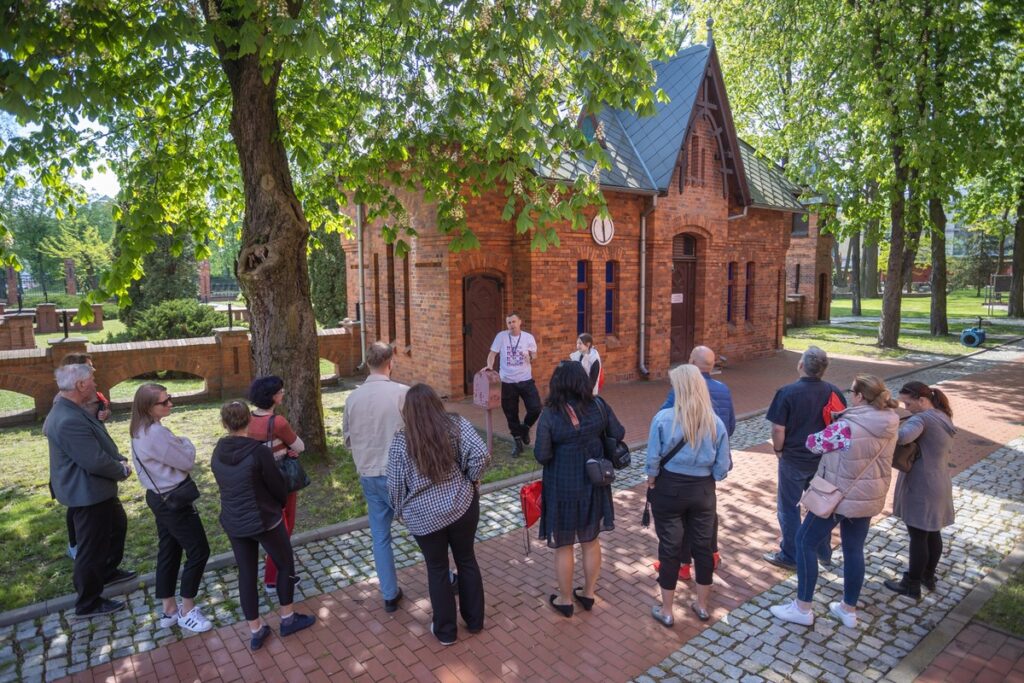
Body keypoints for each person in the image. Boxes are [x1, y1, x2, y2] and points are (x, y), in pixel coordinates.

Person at [769, 374, 897, 628]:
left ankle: (802, 607)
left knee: (804, 541)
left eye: (852, 392)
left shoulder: (847, 426)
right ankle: (848, 609)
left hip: (838, 495)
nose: (849, 395)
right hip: (868, 496)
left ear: (860, 396)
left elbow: (813, 444)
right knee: (853, 549)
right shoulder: (890, 421)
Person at [387, 384, 489, 645]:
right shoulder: (455, 425)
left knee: (437, 569)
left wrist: (400, 511)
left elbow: (396, 484)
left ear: (407, 412)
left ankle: (445, 632)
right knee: (466, 559)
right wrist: (471, 480)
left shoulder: (401, 440)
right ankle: (475, 621)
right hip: (461, 505)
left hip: (423, 517)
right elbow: (480, 455)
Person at [212, 401, 315, 650]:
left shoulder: (218, 451)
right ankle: (287, 617)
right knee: (284, 563)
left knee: (246, 573)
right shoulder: (258, 452)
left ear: (224, 424)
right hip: (264, 519)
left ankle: (256, 629)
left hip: (235, 520)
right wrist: (278, 504)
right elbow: (277, 485)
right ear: (248, 421)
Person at [534, 361, 625, 618]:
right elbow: (618, 432)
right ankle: (588, 593)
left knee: (564, 545)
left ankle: (564, 600)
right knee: (590, 540)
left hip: (562, 485)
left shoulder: (551, 414)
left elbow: (541, 454)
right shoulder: (598, 405)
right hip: (594, 482)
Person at [46, 363, 135, 618]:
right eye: (92, 381)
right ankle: (88, 602)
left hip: (96, 491)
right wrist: (122, 470)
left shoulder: (69, 408)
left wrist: (117, 457)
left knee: (117, 525)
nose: (96, 385)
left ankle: (107, 572)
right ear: (80, 385)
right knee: (91, 549)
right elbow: (94, 460)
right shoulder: (67, 419)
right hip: (88, 494)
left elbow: (96, 439)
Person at [647, 365, 731, 626]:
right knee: (703, 547)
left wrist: (652, 480)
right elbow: (722, 468)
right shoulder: (714, 422)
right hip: (703, 489)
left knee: (670, 548)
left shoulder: (663, 419)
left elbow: (652, 461)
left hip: (670, 487)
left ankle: (668, 610)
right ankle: (702, 605)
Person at [130, 384, 212, 633]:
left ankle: (169, 608)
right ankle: (187, 610)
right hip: (173, 500)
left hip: (158, 497)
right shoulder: (156, 434)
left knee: (169, 550)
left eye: (170, 399)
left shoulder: (139, 429)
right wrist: (185, 441)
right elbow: (187, 460)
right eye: (164, 402)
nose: (170, 404)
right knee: (199, 551)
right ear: (148, 407)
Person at [763, 346, 847, 570]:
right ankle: (822, 551)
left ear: (801, 365)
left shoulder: (787, 392)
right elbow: (841, 427)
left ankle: (790, 554)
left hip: (794, 458)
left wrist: (779, 451)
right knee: (821, 505)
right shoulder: (834, 392)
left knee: (788, 507)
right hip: (823, 461)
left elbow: (778, 429)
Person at [656, 345, 735, 580]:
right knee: (706, 511)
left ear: (691, 360)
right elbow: (729, 425)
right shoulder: (723, 390)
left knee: (682, 515)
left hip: (682, 466)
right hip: (709, 463)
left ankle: (682, 563)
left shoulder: (681, 390)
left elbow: (664, 423)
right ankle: (712, 553)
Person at [343, 342, 408, 612]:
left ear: (368, 363)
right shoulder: (402, 393)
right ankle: (443, 575)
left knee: (380, 536)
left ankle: (389, 593)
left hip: (369, 472)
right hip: (399, 473)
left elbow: (347, 439)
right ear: (390, 362)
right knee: (421, 528)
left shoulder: (352, 398)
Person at [885, 381, 956, 599]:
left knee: (918, 535)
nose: (906, 407)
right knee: (932, 533)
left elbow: (903, 437)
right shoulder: (942, 415)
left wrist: (889, 421)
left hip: (922, 485)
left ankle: (912, 584)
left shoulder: (922, 419)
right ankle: (928, 576)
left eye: (908, 403)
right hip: (940, 481)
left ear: (922, 400)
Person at [44, 352, 111, 561]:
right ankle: (77, 548)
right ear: (77, 378)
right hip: (78, 466)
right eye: (89, 369)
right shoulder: (65, 403)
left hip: (88, 455)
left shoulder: (90, 395)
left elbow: (100, 409)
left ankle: (100, 564)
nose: (94, 373)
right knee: (79, 510)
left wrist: (103, 415)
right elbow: (69, 430)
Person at [247, 376, 305, 590]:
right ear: (272, 396)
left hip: (257, 480)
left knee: (272, 525)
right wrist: (289, 449)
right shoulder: (277, 422)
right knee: (285, 526)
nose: (283, 394)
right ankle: (273, 578)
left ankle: (272, 567)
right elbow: (299, 446)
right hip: (280, 479)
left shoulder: (249, 419)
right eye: (280, 391)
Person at [485, 312, 540, 457]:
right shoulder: (501, 336)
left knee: (535, 408)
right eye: (509, 322)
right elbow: (492, 354)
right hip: (507, 382)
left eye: (514, 322)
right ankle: (517, 443)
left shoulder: (528, 337)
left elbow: (535, 354)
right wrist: (489, 366)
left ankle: (525, 428)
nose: (511, 325)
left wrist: (530, 357)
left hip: (526, 379)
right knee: (511, 414)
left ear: (520, 322)